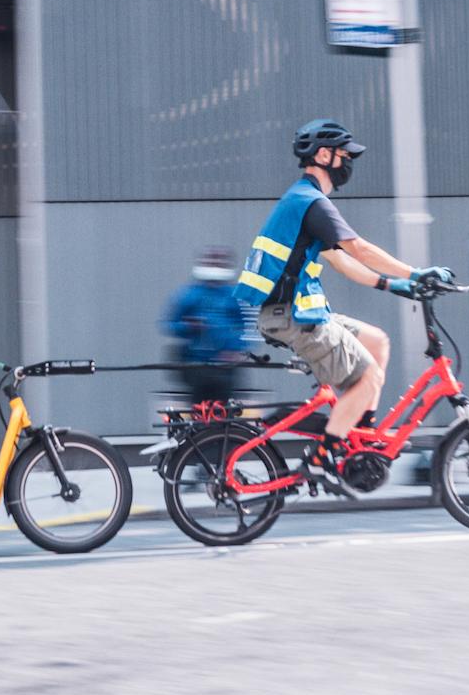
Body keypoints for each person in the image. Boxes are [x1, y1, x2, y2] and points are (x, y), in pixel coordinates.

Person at [233, 119, 453, 492]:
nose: (349, 160)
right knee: (369, 377)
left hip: (297, 313)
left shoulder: (305, 202)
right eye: (345, 154)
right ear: (323, 156)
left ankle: (358, 431)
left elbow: (343, 261)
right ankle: (323, 457)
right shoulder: (310, 201)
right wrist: (416, 274)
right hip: (293, 316)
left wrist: (393, 285)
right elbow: (359, 248)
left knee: (377, 341)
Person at [159, 247, 253, 405]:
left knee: (223, 409)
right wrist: (188, 326)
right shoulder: (188, 294)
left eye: (220, 262)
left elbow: (246, 327)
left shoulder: (234, 296)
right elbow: (168, 324)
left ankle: (222, 429)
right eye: (212, 261)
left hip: (225, 368)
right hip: (196, 365)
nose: (215, 265)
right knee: (199, 408)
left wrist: (236, 349)